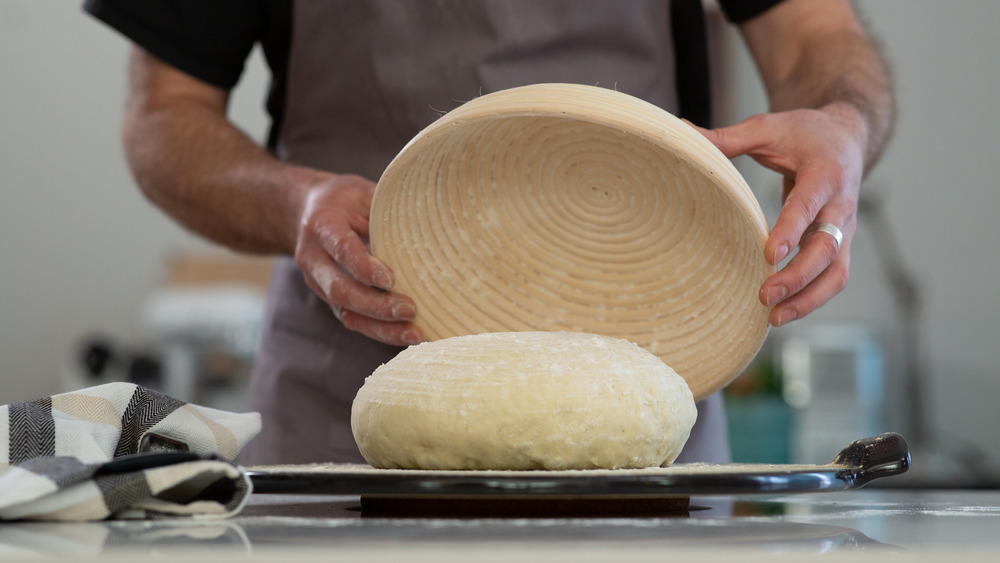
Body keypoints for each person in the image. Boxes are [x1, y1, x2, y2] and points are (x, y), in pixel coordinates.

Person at [84, 0, 894, 465]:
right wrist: (295, 203)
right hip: (342, 410)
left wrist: (842, 127)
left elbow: (822, 37)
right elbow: (164, 117)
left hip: (646, 432)